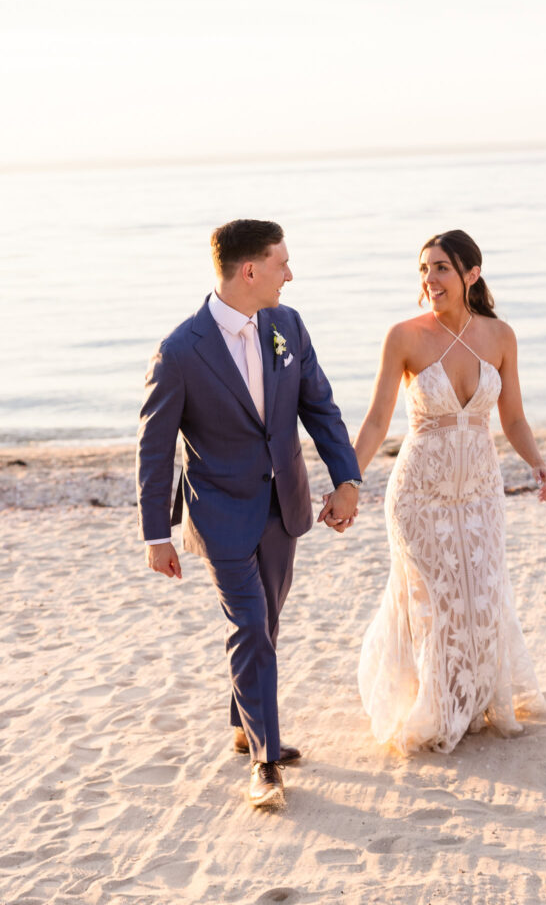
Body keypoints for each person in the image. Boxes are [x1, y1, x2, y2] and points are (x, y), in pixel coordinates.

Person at [136, 219, 361, 807]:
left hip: (282, 503)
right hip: (220, 513)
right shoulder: (181, 351)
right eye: (282, 262)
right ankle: (265, 761)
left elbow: (321, 406)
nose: (291, 273)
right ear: (250, 270)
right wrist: (155, 534)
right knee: (252, 626)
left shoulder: (287, 326)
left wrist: (347, 478)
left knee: (267, 622)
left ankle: (243, 725)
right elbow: (154, 448)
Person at [353, 229, 546, 754]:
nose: (430, 278)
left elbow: (512, 417)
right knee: (437, 602)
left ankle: (479, 697)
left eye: (441, 267)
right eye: (424, 268)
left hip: (482, 493)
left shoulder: (501, 336)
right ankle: (440, 707)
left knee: (482, 596)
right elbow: (377, 421)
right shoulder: (404, 336)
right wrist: (348, 481)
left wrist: (537, 464)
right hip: (419, 495)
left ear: (471, 274)